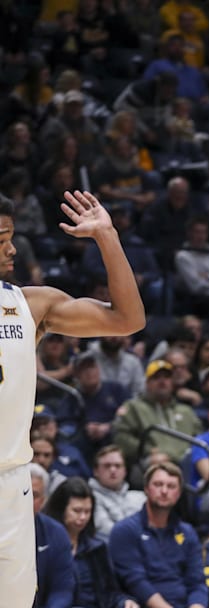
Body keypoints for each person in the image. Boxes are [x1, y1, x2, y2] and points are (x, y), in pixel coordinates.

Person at [0, 190, 145, 607]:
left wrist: (107, 237)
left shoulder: (29, 304)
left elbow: (127, 319)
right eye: (1, 239)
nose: (12, 248)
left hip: (12, 480)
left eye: (12, 235)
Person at [109, 462, 208, 608]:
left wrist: (197, 606)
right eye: (158, 484)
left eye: (171, 486)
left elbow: (197, 582)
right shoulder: (124, 530)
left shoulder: (187, 532)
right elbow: (136, 581)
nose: (164, 491)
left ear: (179, 493)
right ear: (146, 489)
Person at [42, 477, 137, 608]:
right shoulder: (44, 546)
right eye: (77, 511)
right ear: (61, 508)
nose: (83, 517)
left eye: (87, 511)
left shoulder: (97, 547)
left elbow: (110, 593)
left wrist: (124, 602)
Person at [30, 462, 75, 608]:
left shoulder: (56, 532)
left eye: (34, 495)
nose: (26, 500)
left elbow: (62, 589)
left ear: (43, 500)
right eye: (22, 493)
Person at [89, 445, 146, 542]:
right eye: (107, 466)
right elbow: (107, 530)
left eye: (117, 466)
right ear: (96, 471)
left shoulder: (140, 497)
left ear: (125, 471)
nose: (113, 470)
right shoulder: (90, 497)